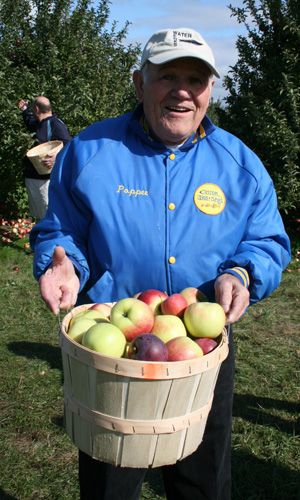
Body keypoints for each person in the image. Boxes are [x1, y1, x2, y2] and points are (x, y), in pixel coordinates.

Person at [29, 28, 291, 500]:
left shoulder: (241, 164)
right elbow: (61, 232)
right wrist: (63, 264)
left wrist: (243, 272)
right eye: (167, 75)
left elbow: (268, 239)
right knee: (112, 485)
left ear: (210, 89)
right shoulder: (90, 152)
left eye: (195, 78)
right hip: (113, 356)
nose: (183, 91)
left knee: (204, 483)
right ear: (138, 83)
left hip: (199, 349)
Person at [18, 96, 71, 221]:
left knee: (48, 217)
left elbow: (70, 147)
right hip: (34, 179)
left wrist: (56, 158)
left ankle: (51, 239)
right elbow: (30, 121)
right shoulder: (39, 124)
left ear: (36, 109)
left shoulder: (55, 125)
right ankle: (41, 238)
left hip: (45, 181)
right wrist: (24, 109)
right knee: (39, 217)